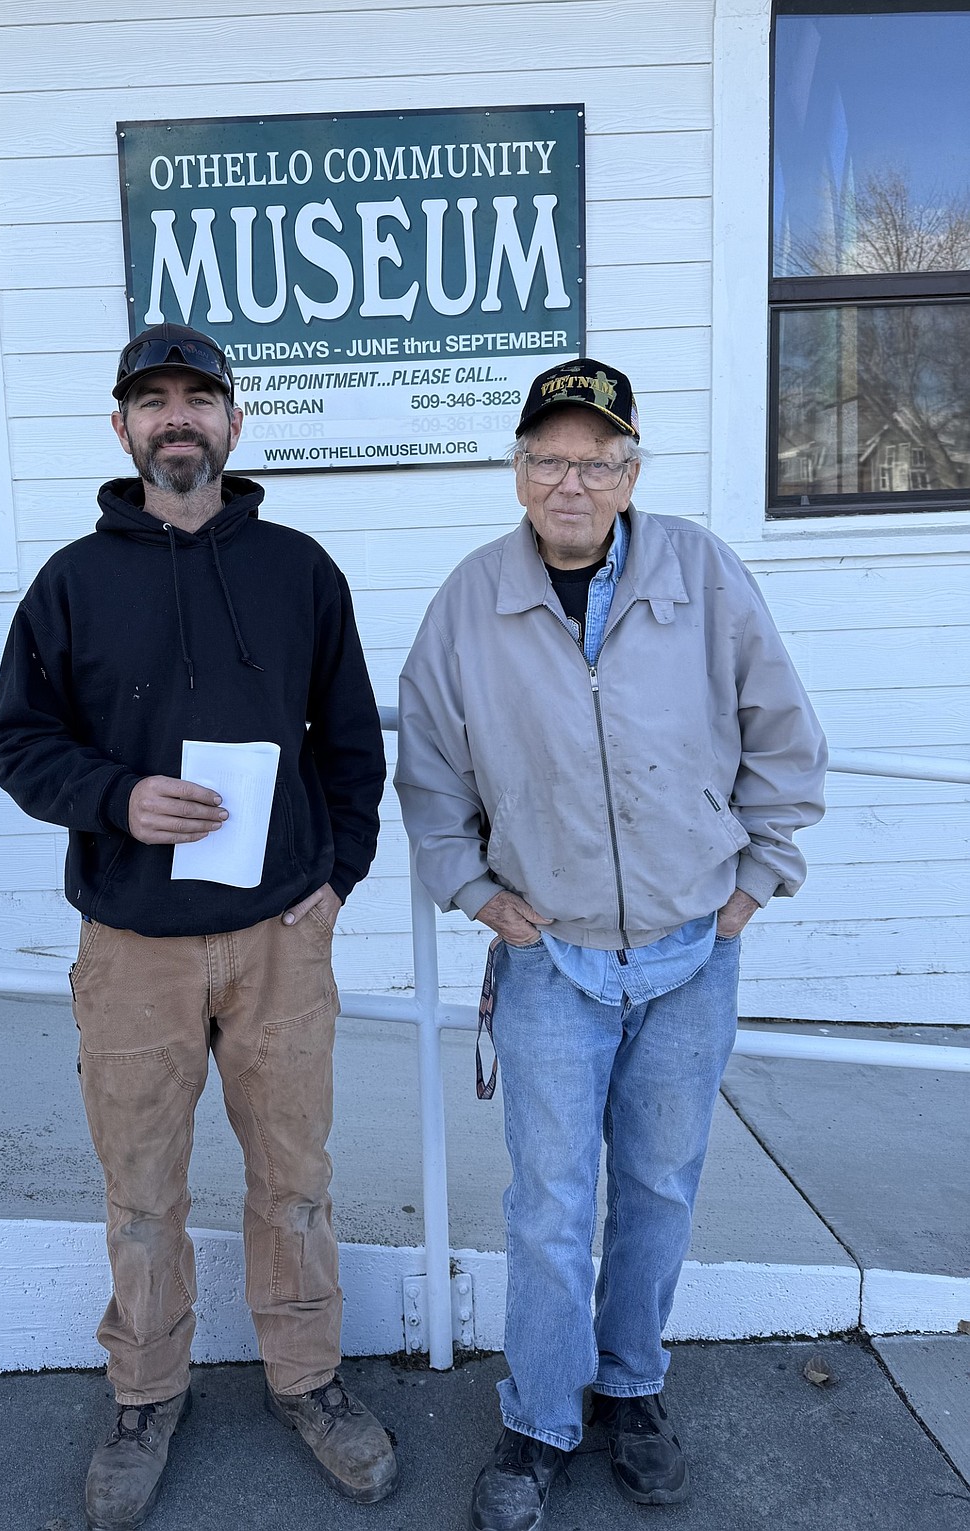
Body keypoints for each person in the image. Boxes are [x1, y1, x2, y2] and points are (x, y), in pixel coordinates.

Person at [395, 358, 826, 1529]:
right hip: (550, 959)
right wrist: (476, 891)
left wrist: (752, 886)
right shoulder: (470, 602)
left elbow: (782, 734)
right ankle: (540, 1417)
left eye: (595, 459)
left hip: (694, 949)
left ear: (631, 470)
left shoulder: (701, 574)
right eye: (548, 457)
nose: (569, 479)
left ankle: (633, 1388)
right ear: (518, 469)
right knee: (546, 1203)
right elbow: (429, 773)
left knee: (655, 1187)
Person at [0, 323, 396, 1530]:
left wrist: (339, 879)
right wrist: (117, 796)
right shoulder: (70, 581)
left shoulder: (302, 570)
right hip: (133, 945)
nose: (177, 418)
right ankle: (146, 1392)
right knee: (143, 1190)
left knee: (297, 1179)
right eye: (152, 400)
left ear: (233, 420)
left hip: (280, 940)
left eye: (197, 398)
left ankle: (308, 1381)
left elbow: (354, 749)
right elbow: (20, 743)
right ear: (122, 429)